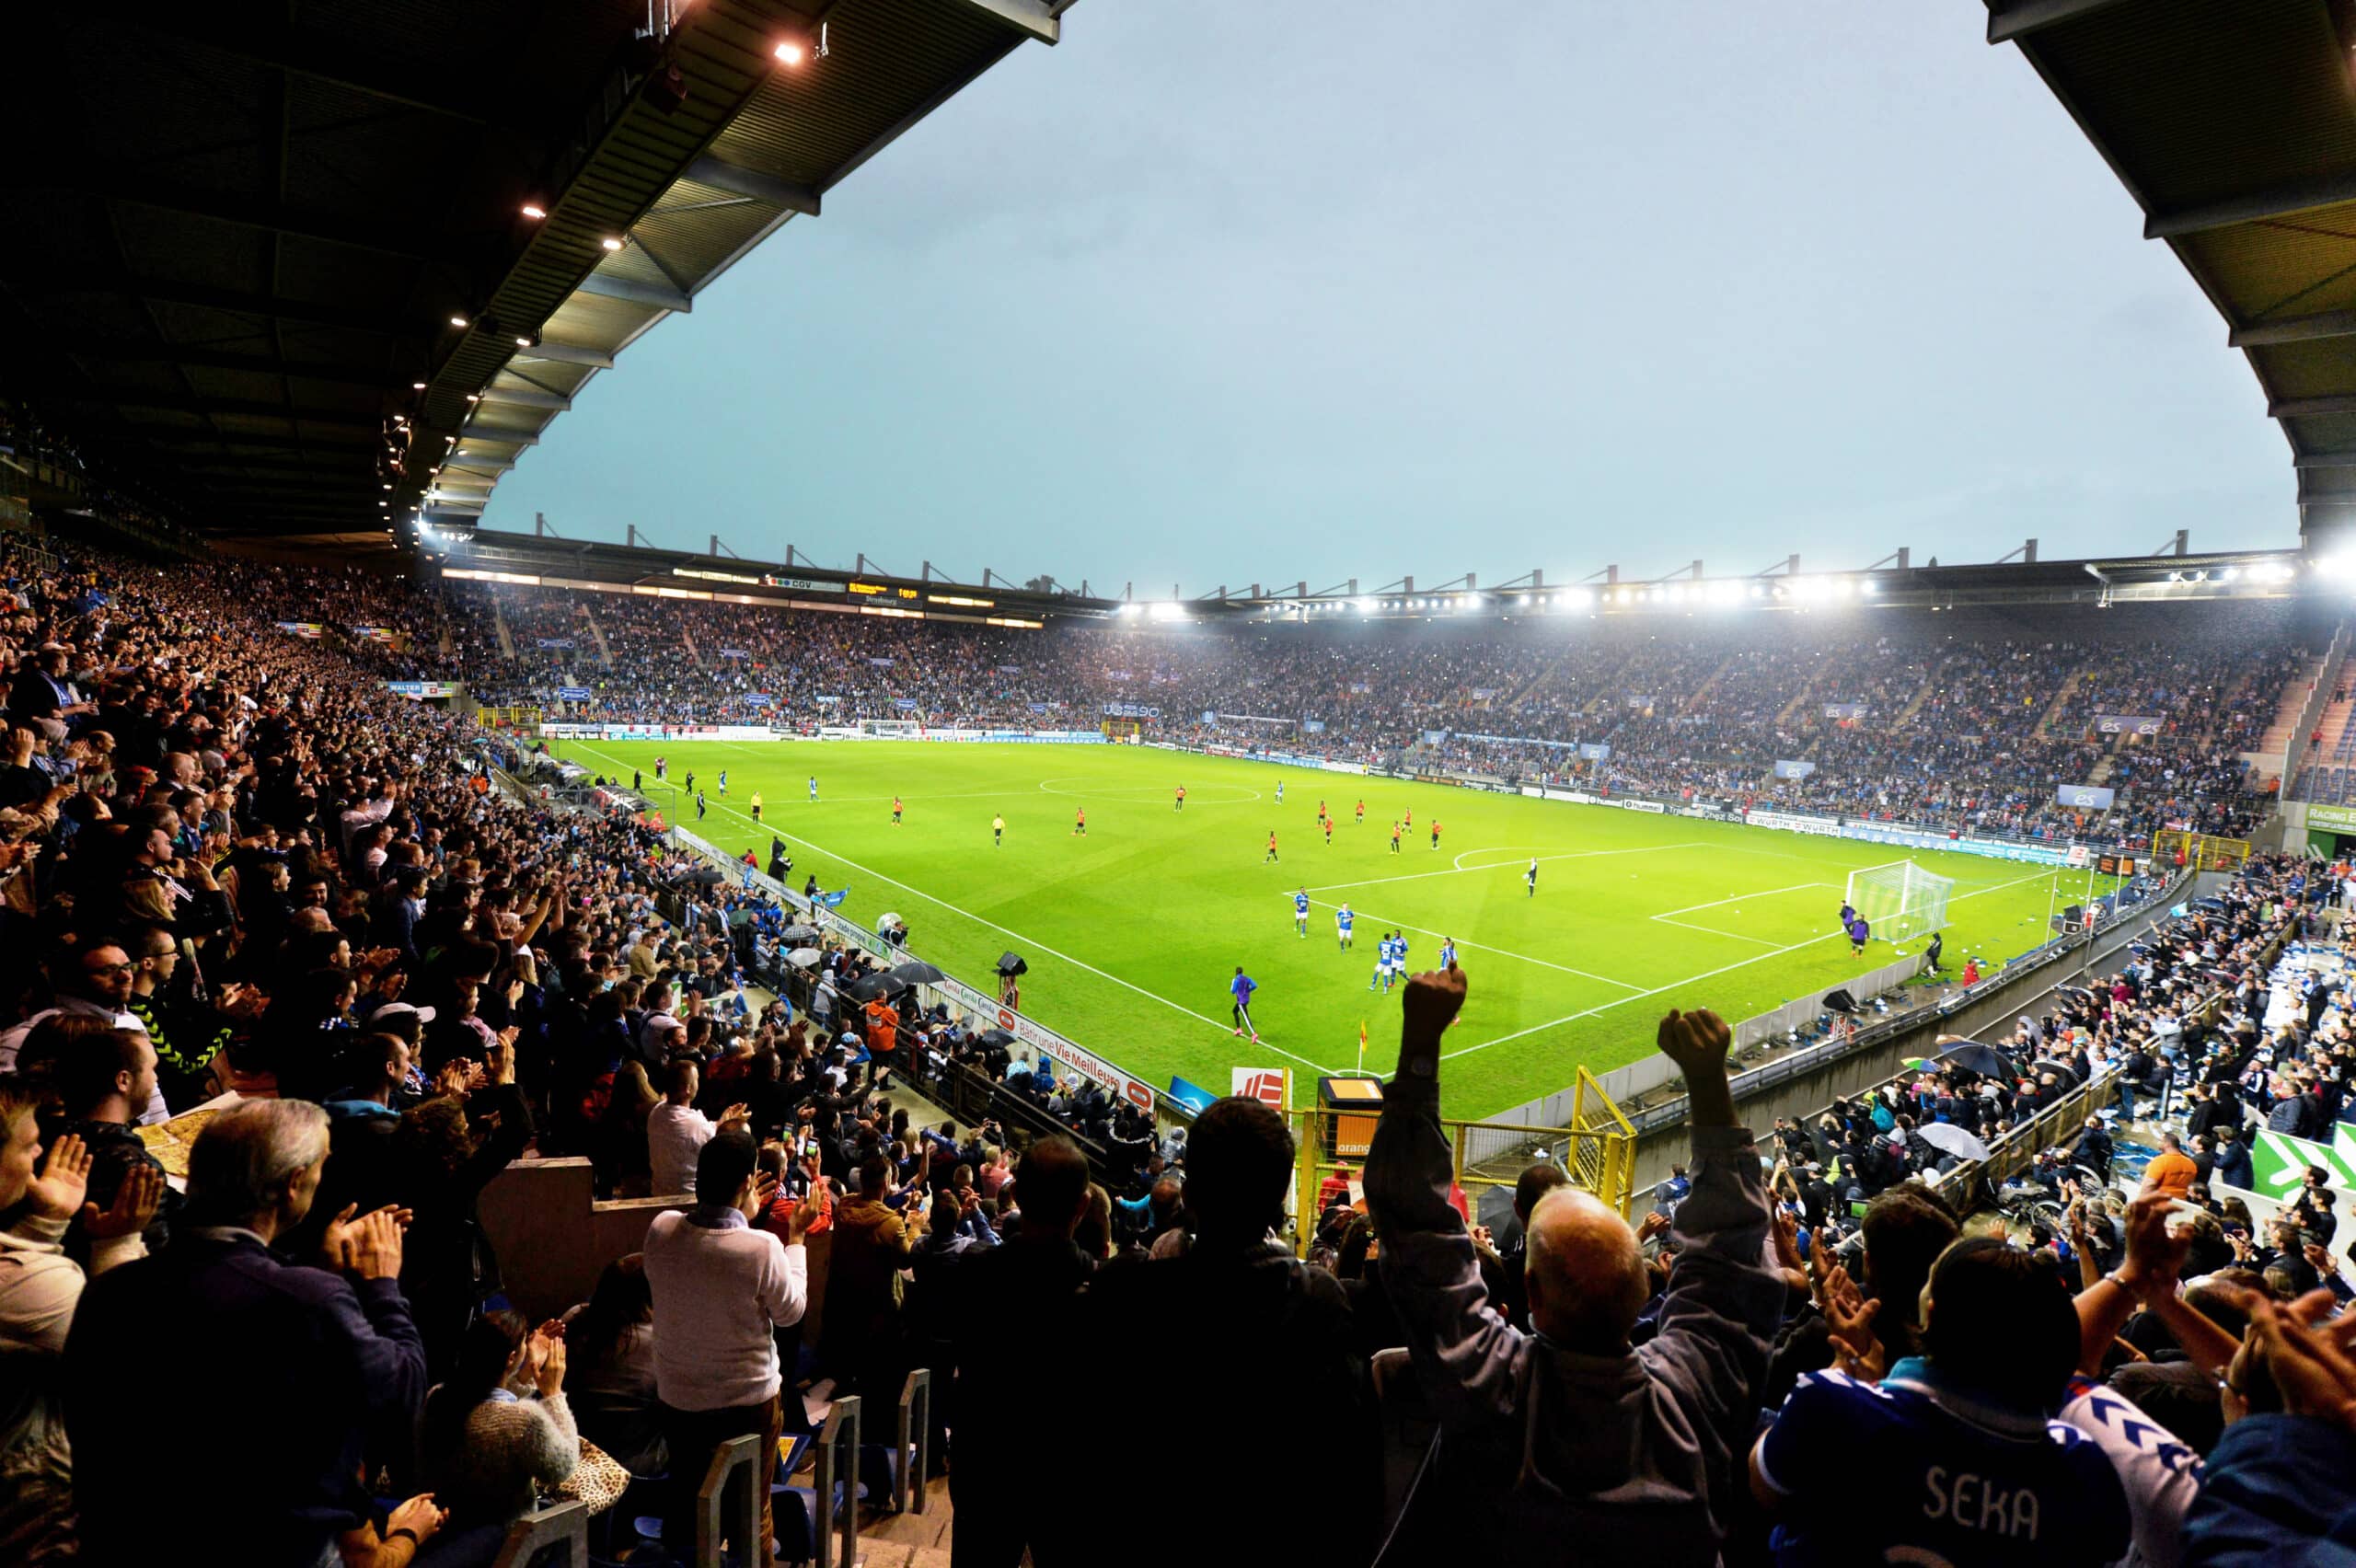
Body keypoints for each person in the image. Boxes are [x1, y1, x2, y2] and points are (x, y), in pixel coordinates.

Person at [1364, 972, 1785, 1559]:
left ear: (1531, 1292)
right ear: (1645, 1294)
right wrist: (1708, 1080)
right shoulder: (1693, 1395)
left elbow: (1415, 1227)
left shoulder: (1489, 1390)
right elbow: (1733, 1260)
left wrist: (1420, 1049)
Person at [66, 1100, 429, 1568]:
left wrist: (315, 1272)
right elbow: (404, 1391)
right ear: (294, 1184)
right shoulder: (309, 1301)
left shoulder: (111, 1290)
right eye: (322, 1166)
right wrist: (381, 1284)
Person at [1079, 1097, 1377, 1568]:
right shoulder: (1319, 1304)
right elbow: (1349, 1478)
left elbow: (1090, 1463)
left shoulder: (1124, 1294)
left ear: (1190, 1193)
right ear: (1279, 1199)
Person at [1750, 1237, 2131, 1566]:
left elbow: (1764, 1487)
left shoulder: (1830, 1401)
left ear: (1931, 1317)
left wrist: (1845, 1374)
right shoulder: (2087, 1466)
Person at [0, 1076, 161, 1567]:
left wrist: (43, 1226)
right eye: (29, 1147)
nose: (37, 1161)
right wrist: (119, 1243)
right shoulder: (27, 1278)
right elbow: (130, 1357)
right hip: (39, 1521)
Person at [643, 1133, 816, 1565]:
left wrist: (739, 1210)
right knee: (751, 1512)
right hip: (747, 1405)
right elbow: (792, 1311)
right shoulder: (762, 1248)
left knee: (688, 1501)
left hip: (678, 1400)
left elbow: (712, 1251)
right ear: (744, 1184)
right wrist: (796, 1237)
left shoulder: (661, 1229)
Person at [944, 1136, 1093, 1565]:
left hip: (985, 1467)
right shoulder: (1102, 1288)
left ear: (1018, 1196)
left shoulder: (975, 1271)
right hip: (1064, 1477)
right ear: (1082, 1207)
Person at [418, 1310, 579, 1529]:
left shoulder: (438, 1398)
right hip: (506, 1541)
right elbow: (562, 1468)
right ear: (512, 1358)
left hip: (443, 1525)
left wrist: (524, 1374)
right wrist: (554, 1394)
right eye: (524, 1342)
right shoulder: (524, 1420)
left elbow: (488, 1405)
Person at [648, 1059, 750, 1195]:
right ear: (688, 1089)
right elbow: (715, 1143)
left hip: (659, 1191)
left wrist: (723, 1121)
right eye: (696, 1079)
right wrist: (733, 1123)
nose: (699, 1082)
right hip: (687, 1196)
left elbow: (704, 1132)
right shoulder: (694, 1123)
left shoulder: (656, 1111)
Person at [2142, 1131, 2199, 1201]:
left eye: (2160, 1141)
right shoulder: (2191, 1164)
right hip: (2180, 1203)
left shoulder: (2161, 1161)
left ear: (2167, 1144)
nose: (2158, 1143)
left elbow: (2149, 1185)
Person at [1230, 966, 1258, 1043]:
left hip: (1241, 1001)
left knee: (1245, 1017)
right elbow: (1255, 985)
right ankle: (1239, 1029)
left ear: (1236, 972)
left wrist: (1232, 984)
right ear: (1242, 972)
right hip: (1246, 999)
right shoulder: (1247, 978)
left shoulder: (1236, 980)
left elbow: (1232, 991)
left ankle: (1254, 1034)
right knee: (1235, 1011)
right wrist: (1248, 990)